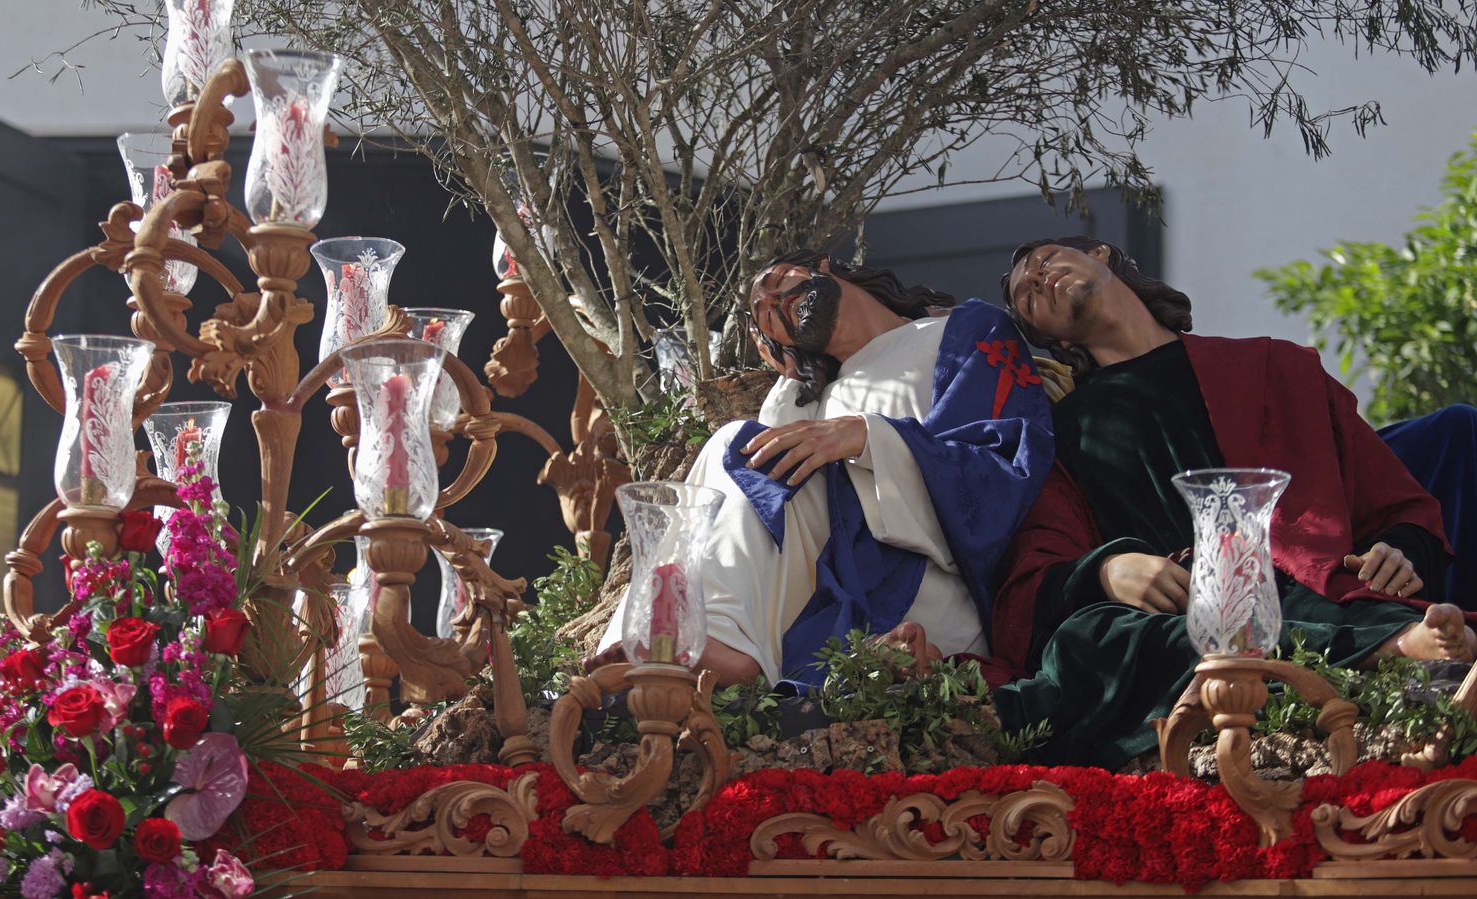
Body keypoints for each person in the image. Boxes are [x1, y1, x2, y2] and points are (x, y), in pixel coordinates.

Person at [991, 235, 1477, 769]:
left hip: (1298, 589)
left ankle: (1392, 646)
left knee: (1281, 612)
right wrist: (1108, 569)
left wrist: (1399, 549)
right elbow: (1034, 571)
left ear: (1101, 254)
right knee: (1087, 643)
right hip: (1182, 616)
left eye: (1042, 262)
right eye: (1027, 296)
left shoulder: (1272, 366)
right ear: (1046, 337)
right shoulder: (1060, 435)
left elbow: (1396, 501)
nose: (1039, 279)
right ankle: (1389, 649)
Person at [589, 251, 1056, 687]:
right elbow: (756, 505)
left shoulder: (957, 332)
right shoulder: (819, 397)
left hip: (909, 576)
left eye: (777, 283)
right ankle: (667, 629)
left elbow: (1003, 465)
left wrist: (867, 437)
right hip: (824, 566)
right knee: (731, 446)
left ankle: (721, 639)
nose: (772, 302)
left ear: (827, 267)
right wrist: (793, 382)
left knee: (738, 443)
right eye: (763, 316)